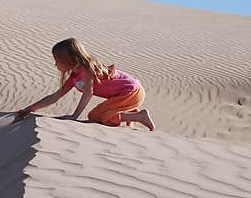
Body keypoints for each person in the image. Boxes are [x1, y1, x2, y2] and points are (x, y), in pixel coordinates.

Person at [11, 38, 155, 130]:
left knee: (96, 116)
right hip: (127, 95)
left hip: (132, 93)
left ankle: (139, 117)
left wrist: (75, 116)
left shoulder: (86, 70)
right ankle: (130, 113)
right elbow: (55, 97)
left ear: (69, 58)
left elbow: (88, 93)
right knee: (97, 115)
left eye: (57, 59)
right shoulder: (74, 76)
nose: (55, 64)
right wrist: (28, 109)